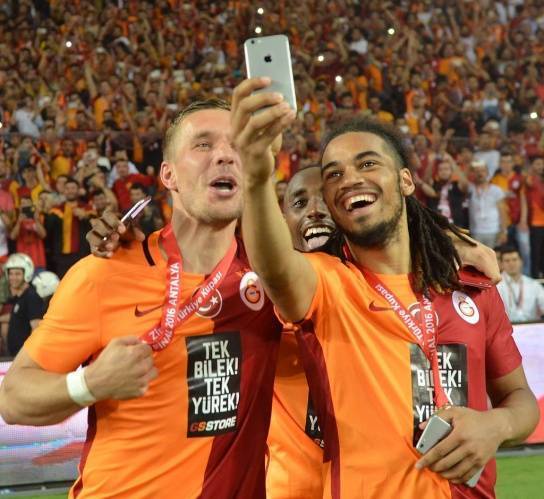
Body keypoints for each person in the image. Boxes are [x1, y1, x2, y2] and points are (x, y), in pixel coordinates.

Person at [232, 78, 539, 499]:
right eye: (334, 174)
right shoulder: (327, 284)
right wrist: (257, 176)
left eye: (367, 164)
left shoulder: (472, 285)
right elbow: (274, 266)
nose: (349, 179)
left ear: (406, 181)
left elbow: (520, 398)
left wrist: (496, 425)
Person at [0, 99, 283, 499]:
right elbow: (12, 398)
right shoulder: (105, 272)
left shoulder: (276, 282)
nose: (224, 155)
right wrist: (89, 384)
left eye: (236, 145)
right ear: (168, 174)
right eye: (203, 144)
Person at [1, 253, 44, 356]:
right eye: (11, 274)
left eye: (17, 274)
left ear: (27, 274)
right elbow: (17, 317)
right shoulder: (20, 296)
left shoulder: (32, 297)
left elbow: (36, 329)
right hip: (14, 356)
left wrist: (26, 356)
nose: (13, 277)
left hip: (23, 356)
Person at [497, 247, 544, 323]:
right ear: (501, 264)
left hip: (531, 327)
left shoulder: (534, 285)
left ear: (521, 261)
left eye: (514, 259)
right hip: (506, 328)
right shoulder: (496, 286)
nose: (511, 264)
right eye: (507, 261)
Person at [468, 160, 508, 249]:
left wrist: (504, 231)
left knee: (493, 256)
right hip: (475, 231)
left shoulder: (496, 190)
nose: (480, 173)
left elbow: (503, 212)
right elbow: (462, 182)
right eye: (477, 171)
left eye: (482, 171)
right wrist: (469, 167)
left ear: (487, 173)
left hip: (493, 230)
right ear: (473, 173)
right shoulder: (470, 189)